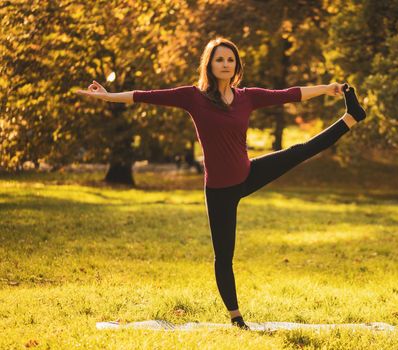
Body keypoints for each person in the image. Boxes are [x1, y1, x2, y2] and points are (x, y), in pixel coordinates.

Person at [76, 37, 366, 330]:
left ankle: (351, 117)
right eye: (219, 60)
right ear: (209, 65)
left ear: (236, 66)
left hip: (248, 173)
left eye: (230, 60)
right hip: (219, 191)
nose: (225, 64)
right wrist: (109, 96)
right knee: (224, 255)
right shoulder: (193, 97)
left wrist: (327, 89)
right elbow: (146, 95)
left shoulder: (246, 97)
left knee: (298, 151)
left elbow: (290, 94)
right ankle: (236, 318)